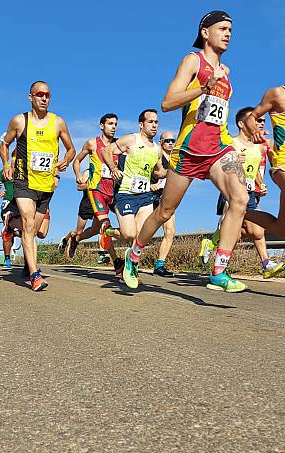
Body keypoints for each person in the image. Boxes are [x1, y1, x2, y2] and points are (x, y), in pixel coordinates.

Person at [120, 11, 249, 292]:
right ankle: (134, 254)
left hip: (217, 148)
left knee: (240, 198)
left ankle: (219, 270)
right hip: (189, 149)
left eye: (231, 30)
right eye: (222, 28)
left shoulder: (227, 73)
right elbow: (167, 102)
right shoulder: (193, 61)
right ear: (205, 32)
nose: (228, 34)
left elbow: (220, 117)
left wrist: (233, 147)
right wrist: (204, 86)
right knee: (165, 212)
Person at [0, 81, 75, 291]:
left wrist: (66, 161)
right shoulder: (19, 121)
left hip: (46, 184)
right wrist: (6, 164)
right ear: (30, 97)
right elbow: (4, 143)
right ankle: (34, 274)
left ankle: (10, 224)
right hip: (23, 181)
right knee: (29, 223)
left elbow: (71, 149)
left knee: (35, 230)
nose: (44, 98)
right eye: (39, 94)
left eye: (47, 95)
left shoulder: (58, 122)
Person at [200, 108, 284, 278]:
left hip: (250, 193)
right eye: (256, 120)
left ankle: (213, 242)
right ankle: (221, 269)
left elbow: (255, 170)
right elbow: (212, 170)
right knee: (244, 229)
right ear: (241, 123)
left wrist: (261, 184)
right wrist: (233, 162)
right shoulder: (231, 143)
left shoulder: (260, 146)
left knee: (253, 231)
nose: (260, 123)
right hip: (232, 191)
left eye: (262, 121)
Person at [101, 109, 167, 286]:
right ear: (141, 124)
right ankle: (108, 232)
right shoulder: (131, 139)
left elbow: (159, 172)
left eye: (156, 122)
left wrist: (175, 167)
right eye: (150, 122)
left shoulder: (157, 149)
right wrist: (114, 169)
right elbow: (107, 151)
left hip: (145, 196)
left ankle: (131, 267)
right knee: (129, 234)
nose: (154, 125)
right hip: (125, 194)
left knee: (140, 236)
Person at [65, 114, 124, 276]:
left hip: (112, 192)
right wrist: (78, 174)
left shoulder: (118, 145)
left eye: (115, 124)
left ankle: (75, 239)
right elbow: (77, 160)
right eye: (110, 123)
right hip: (95, 191)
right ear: (101, 126)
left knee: (94, 230)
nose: (113, 127)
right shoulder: (92, 143)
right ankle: (117, 262)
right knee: (106, 226)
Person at [244, 85, 285, 239]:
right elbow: (251, 117)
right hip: (282, 163)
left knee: (281, 230)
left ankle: (238, 212)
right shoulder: (277, 93)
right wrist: (255, 132)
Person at [150, 132, 176, 276]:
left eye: (173, 140)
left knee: (170, 231)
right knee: (140, 232)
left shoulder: (176, 159)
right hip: (151, 196)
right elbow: (149, 172)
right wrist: (149, 185)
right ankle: (132, 259)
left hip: (167, 198)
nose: (171, 143)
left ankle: (159, 265)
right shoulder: (157, 155)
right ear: (161, 142)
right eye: (168, 140)